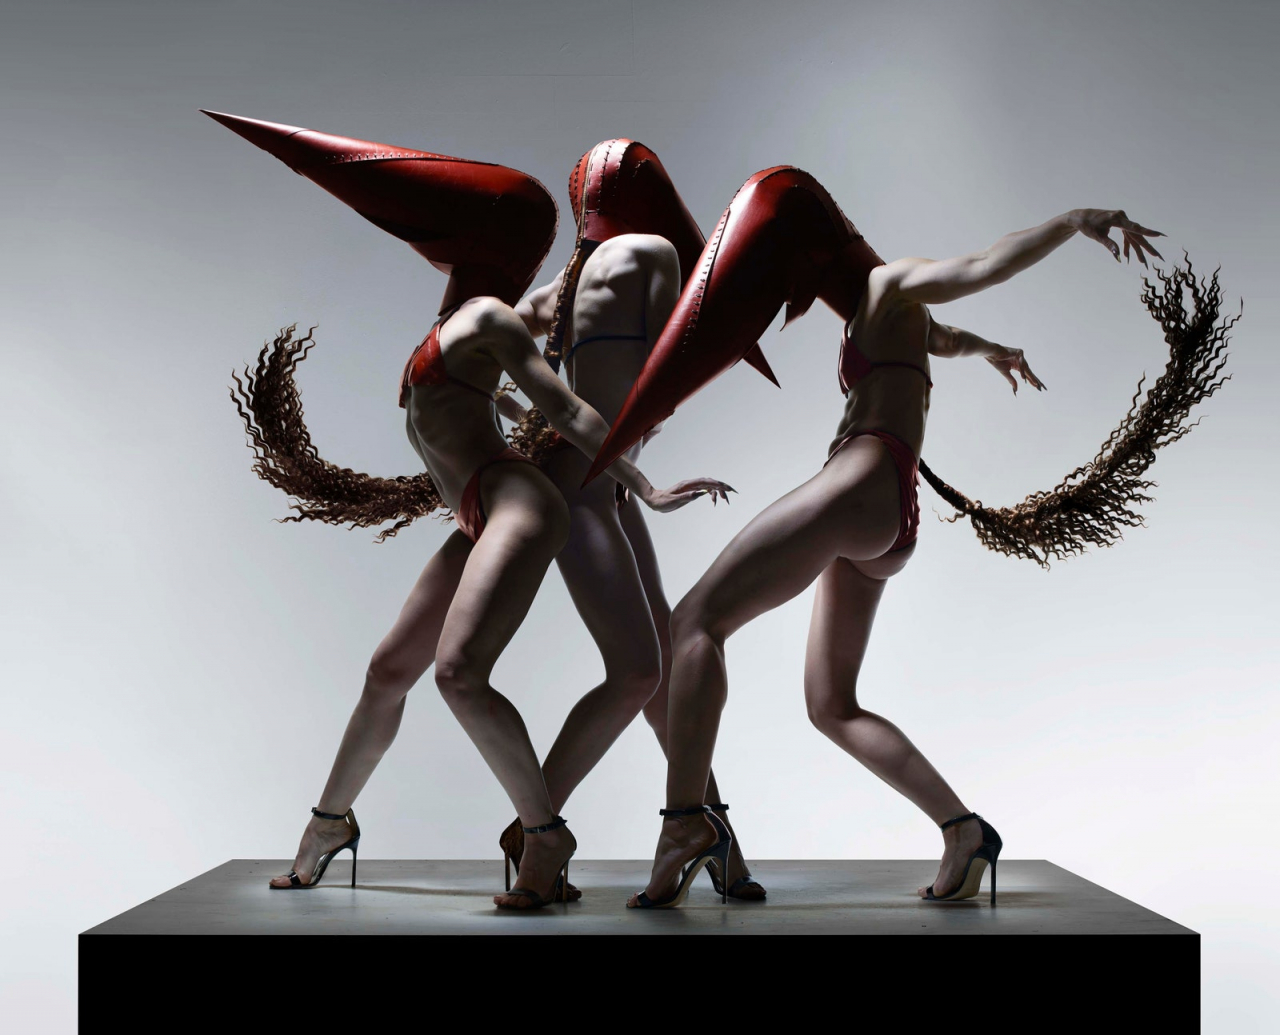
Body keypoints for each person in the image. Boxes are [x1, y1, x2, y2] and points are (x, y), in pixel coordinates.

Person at [583, 165, 1166, 908]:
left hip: (861, 477)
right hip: (889, 516)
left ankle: (684, 825)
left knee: (694, 621)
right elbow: (945, 337)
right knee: (832, 704)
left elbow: (983, 264)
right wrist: (991, 349)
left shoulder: (890, 283)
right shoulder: (892, 313)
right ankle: (964, 829)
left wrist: (1074, 219)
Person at [206, 112, 730, 909]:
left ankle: (545, 832)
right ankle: (328, 823)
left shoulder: (487, 318)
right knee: (389, 670)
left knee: (459, 673)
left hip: (520, 501)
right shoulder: (464, 325)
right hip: (483, 507)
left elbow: (569, 410)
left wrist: (643, 484)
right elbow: (525, 384)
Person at [498, 140, 765, 901]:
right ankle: (534, 830)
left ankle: (718, 843)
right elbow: (675, 364)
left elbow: (481, 367)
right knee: (641, 671)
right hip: (595, 490)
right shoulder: (652, 254)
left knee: (661, 674)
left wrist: (532, 422)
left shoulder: (557, 291)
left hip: (591, 483)